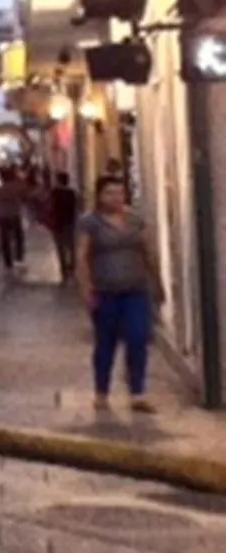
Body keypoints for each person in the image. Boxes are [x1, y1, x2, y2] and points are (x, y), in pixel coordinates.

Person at [76, 175, 166, 413]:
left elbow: (148, 251)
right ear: (99, 196)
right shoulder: (90, 223)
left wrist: (157, 282)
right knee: (106, 343)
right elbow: (83, 257)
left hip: (135, 290)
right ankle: (101, 392)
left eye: (119, 192)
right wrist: (86, 289)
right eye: (109, 193)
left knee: (138, 338)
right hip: (105, 292)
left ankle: (137, 392)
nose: (115, 198)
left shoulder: (136, 221)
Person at [46, 171, 80, 282]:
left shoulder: (54, 193)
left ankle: (64, 268)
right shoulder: (72, 193)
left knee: (60, 247)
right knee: (71, 246)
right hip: (70, 222)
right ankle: (73, 266)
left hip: (58, 223)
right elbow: (75, 208)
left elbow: (50, 207)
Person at [0, 167, 27, 272]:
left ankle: (8, 261)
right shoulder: (16, 187)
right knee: (19, 237)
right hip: (14, 214)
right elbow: (24, 191)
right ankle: (19, 257)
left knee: (5, 240)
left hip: (2, 215)